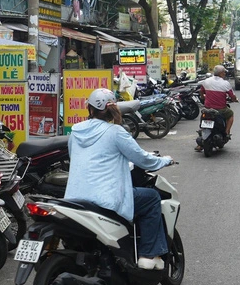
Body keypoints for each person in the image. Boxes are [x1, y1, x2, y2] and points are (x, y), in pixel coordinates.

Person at [66, 88, 174, 270]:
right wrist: (165, 160)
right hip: (105, 199)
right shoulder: (116, 132)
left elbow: (75, 157)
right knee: (151, 198)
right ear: (115, 109)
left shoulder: (75, 132)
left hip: (74, 198)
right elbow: (143, 159)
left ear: (89, 109)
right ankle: (148, 255)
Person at [195, 65, 237, 148]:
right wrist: (234, 99)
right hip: (220, 109)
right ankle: (227, 132)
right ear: (221, 73)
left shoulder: (206, 81)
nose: (225, 73)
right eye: (224, 72)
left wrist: (203, 97)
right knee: (231, 114)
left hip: (207, 108)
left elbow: (201, 92)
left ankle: (200, 144)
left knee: (203, 121)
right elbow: (232, 96)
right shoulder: (225, 83)